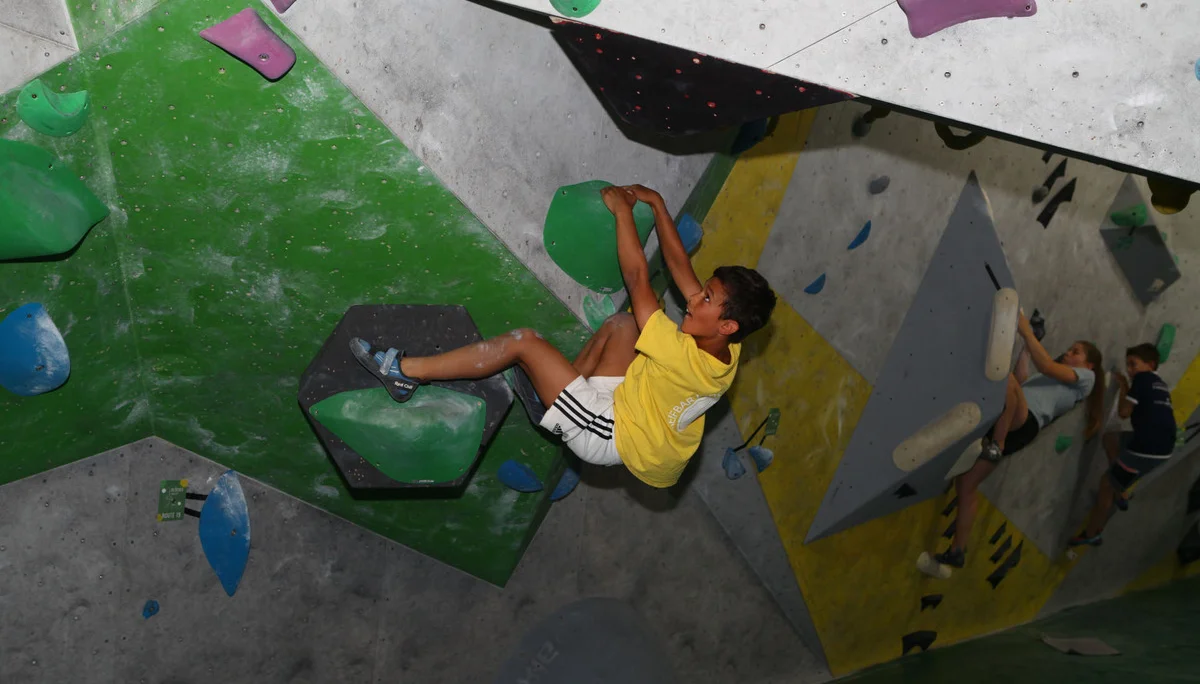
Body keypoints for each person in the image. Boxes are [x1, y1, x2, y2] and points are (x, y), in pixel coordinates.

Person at [349, 184, 777, 488]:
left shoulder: (686, 358)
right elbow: (682, 271)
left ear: (728, 325)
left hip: (608, 433)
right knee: (625, 325)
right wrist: (658, 204)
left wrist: (623, 210)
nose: (696, 298)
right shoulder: (725, 345)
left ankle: (404, 373)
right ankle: (556, 390)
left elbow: (636, 276)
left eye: (707, 299)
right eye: (705, 293)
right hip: (636, 407)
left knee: (524, 342)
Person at [934, 312, 1105, 569]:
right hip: (1010, 417)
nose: (1069, 353)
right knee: (966, 485)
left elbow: (1045, 365)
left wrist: (1024, 329)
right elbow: (1022, 380)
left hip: (1024, 423)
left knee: (1006, 381)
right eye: (1070, 349)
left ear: (1089, 365)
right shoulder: (1049, 379)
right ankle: (958, 550)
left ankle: (997, 445)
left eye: (1076, 351)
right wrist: (1027, 347)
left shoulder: (1086, 379)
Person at [1070, 344, 1175, 547]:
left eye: (1134, 364)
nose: (1130, 369)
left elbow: (1124, 412)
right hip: (1160, 446)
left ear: (1151, 364)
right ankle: (1121, 487)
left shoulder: (1142, 379)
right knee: (1110, 439)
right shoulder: (1159, 384)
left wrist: (1125, 385)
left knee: (1105, 485)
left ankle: (1091, 534)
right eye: (1128, 365)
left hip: (1146, 449)